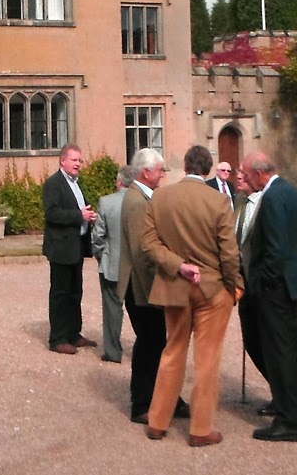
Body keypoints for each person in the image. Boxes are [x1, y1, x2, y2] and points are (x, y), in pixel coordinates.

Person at [137, 144, 241, 448]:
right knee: (207, 360)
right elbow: (230, 253)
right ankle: (200, 429)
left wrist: (178, 266)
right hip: (211, 289)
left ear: (185, 166)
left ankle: (157, 421)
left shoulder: (161, 197)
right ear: (208, 169)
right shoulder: (219, 200)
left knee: (172, 352)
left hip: (174, 285)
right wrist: (233, 285)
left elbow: (148, 243)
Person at [238, 151, 297, 443]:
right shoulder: (293, 192)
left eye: (246, 175)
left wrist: (260, 284)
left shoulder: (270, 198)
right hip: (289, 283)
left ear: (259, 174)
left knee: (280, 352)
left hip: (273, 289)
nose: (244, 179)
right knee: (294, 349)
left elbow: (271, 251)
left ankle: (290, 420)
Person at [120, 148, 181, 425]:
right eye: (160, 170)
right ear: (146, 172)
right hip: (141, 287)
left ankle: (168, 396)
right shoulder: (136, 201)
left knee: (159, 343)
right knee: (149, 344)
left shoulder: (144, 197)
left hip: (146, 286)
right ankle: (141, 403)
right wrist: (152, 293)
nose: (162, 175)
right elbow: (141, 251)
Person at [42, 144, 98, 353]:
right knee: (60, 294)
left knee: (76, 292)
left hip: (76, 247)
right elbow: (52, 213)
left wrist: (89, 215)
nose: (78, 164)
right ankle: (57, 339)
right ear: (62, 160)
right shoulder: (53, 184)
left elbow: (79, 208)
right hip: (61, 248)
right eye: (74, 160)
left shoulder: (77, 184)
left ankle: (74, 334)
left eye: (80, 161)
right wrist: (79, 216)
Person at [90, 167, 132, 363]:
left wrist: (98, 254)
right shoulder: (145, 201)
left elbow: (98, 235)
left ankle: (113, 352)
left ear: (119, 182)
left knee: (112, 309)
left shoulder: (107, 202)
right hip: (137, 268)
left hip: (112, 264)